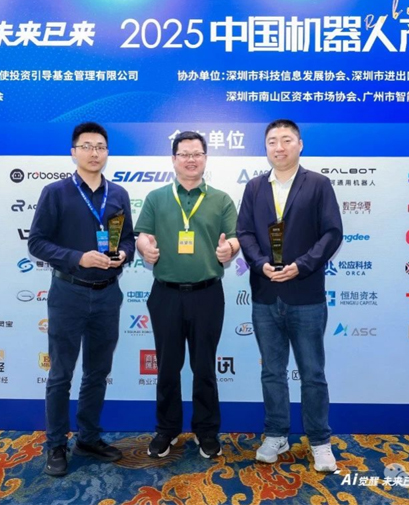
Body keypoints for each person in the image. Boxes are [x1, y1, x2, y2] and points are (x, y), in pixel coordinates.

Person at [235, 119, 343, 472]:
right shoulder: (254, 187)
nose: (278, 147)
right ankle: (276, 434)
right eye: (272, 141)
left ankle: (320, 441)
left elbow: (332, 233)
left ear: (299, 144)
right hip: (265, 294)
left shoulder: (318, 184)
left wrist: (302, 265)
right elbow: (244, 232)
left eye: (286, 140)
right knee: (272, 372)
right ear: (265, 147)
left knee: (312, 373)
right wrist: (261, 263)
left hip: (305, 294)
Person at [28, 122, 135, 476]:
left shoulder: (118, 194)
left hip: (108, 294)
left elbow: (129, 238)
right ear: (74, 152)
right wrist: (78, 258)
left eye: (100, 147)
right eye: (87, 146)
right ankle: (56, 444)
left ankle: (88, 438)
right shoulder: (55, 192)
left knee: (97, 372)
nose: (94, 153)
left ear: (107, 152)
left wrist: (124, 254)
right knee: (61, 374)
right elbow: (36, 242)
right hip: (69, 292)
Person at [135, 131, 240, 459]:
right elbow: (142, 235)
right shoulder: (156, 197)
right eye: (184, 154)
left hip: (207, 294)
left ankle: (206, 431)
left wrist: (229, 249)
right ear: (174, 159)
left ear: (205, 158)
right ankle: (166, 430)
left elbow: (235, 237)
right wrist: (144, 247)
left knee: (204, 367)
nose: (191, 159)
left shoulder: (221, 199)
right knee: (167, 367)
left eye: (197, 154)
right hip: (165, 294)